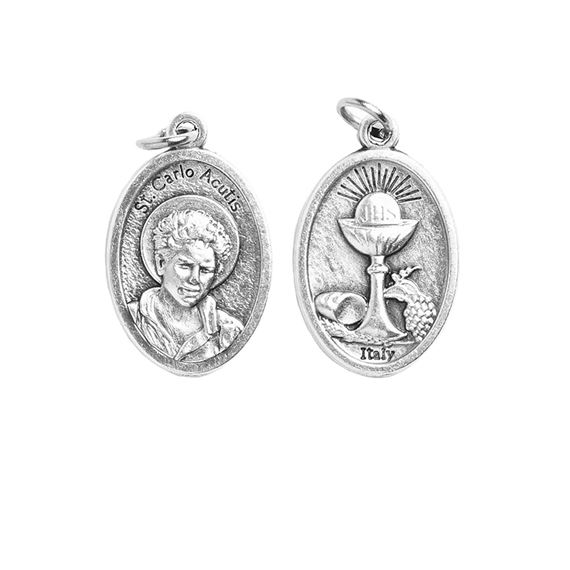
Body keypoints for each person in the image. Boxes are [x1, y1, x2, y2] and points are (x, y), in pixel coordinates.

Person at [129, 208, 243, 361]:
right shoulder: (131, 316)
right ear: (161, 263)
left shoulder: (229, 331)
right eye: (185, 266)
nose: (195, 279)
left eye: (205, 270)